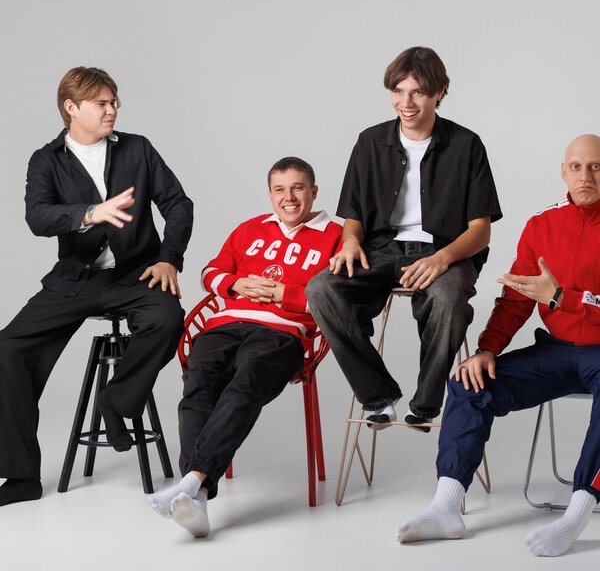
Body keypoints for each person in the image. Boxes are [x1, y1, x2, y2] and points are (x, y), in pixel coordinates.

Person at [398, 134, 600, 556]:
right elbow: (516, 299)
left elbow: (552, 295)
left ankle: (577, 514)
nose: (586, 175)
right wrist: (487, 349)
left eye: (596, 166)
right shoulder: (542, 225)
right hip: (558, 349)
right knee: (469, 382)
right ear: (563, 172)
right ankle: (445, 508)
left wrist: (562, 298)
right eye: (577, 166)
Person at [0, 67, 193, 507]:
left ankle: (116, 402)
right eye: (102, 103)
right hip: (77, 279)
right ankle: (21, 476)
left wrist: (168, 258)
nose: (112, 110)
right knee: (7, 349)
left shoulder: (138, 148)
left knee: (167, 319)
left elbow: (178, 204)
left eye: (113, 101)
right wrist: (90, 213)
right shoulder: (46, 160)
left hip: (137, 274)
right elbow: (37, 217)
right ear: (71, 107)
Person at [306, 46, 502, 430]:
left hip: (444, 249)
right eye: (398, 91)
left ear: (440, 91)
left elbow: (480, 229)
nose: (406, 103)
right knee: (321, 289)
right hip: (381, 249)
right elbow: (354, 217)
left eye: (418, 92)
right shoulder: (370, 142)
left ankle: (426, 404)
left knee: (448, 298)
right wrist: (350, 242)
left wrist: (443, 258)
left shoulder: (466, 145)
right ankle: (377, 395)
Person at [147, 157, 342, 537]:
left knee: (245, 382)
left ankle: (192, 483)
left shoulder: (335, 236)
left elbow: (340, 297)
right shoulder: (250, 229)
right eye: (280, 190)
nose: (288, 198)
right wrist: (235, 284)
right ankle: (198, 495)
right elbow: (210, 272)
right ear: (270, 194)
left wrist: (286, 295)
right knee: (198, 383)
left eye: (298, 188)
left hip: (282, 332)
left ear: (314, 191)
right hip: (225, 324)